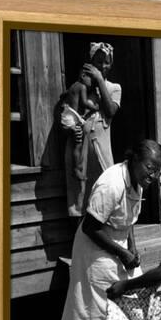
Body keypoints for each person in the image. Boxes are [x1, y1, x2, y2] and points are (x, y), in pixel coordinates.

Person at [59, 139, 161, 320]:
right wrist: (122, 252)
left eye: (158, 170)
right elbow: (90, 227)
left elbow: (128, 221)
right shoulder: (112, 183)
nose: (154, 174)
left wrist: (133, 247)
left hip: (118, 243)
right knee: (100, 308)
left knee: (136, 295)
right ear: (134, 160)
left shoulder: (138, 181)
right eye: (150, 167)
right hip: (95, 248)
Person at [64, 41, 122, 221]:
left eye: (106, 62)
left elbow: (111, 110)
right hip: (80, 146)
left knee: (108, 186)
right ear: (89, 64)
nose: (102, 66)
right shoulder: (80, 87)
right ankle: (80, 235)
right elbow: (68, 111)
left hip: (101, 146)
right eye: (98, 62)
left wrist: (99, 80)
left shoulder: (113, 88)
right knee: (79, 191)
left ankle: (108, 229)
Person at [60, 68, 100, 180]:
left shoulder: (73, 86)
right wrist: (95, 107)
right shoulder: (82, 87)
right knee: (77, 145)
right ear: (83, 75)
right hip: (72, 117)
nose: (92, 84)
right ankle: (76, 169)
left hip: (67, 115)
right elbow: (84, 102)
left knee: (76, 143)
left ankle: (78, 167)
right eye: (91, 80)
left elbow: (64, 95)